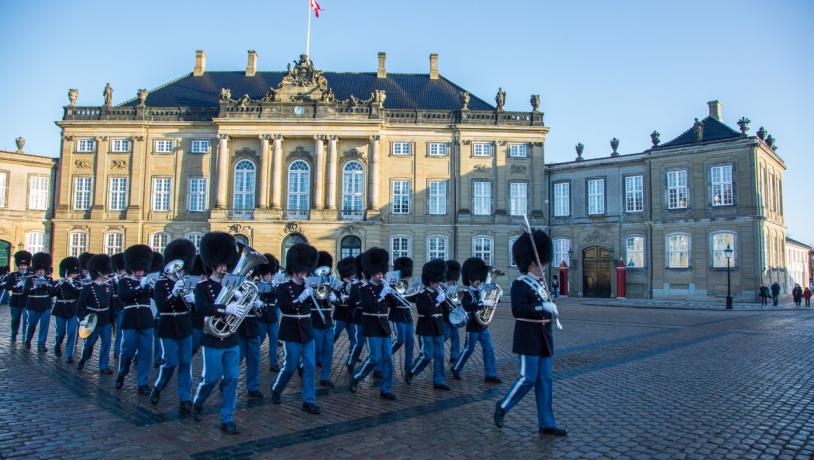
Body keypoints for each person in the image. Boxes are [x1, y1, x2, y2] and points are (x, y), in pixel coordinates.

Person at [494, 228, 567, 437]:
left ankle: (546, 422)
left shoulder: (541, 284)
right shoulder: (520, 284)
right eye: (538, 262)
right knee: (527, 377)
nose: (542, 265)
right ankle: (503, 406)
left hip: (544, 335)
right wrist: (542, 308)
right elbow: (518, 310)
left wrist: (550, 309)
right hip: (528, 336)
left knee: (545, 380)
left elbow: (545, 306)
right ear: (529, 262)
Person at [192, 232, 242, 433]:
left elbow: (243, 309)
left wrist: (240, 299)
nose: (224, 268)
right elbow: (201, 307)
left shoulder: (233, 285)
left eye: (226, 265)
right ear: (212, 264)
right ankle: (198, 402)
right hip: (212, 339)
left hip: (231, 338)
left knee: (232, 378)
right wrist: (224, 309)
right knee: (211, 378)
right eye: (220, 265)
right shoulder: (202, 286)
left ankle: (227, 418)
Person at [270, 243, 321, 415]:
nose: (304, 274)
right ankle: (277, 389)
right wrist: (302, 297)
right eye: (301, 271)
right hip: (291, 329)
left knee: (310, 366)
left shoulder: (309, 287)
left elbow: (317, 303)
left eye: (306, 271)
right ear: (294, 269)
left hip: (306, 329)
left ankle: (309, 400)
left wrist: (311, 294)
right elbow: (285, 308)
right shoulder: (284, 287)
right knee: (290, 366)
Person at [150, 239, 197, 413]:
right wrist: (174, 293)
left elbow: (195, 309)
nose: (180, 271)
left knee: (185, 363)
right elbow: (161, 306)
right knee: (170, 362)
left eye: (182, 268)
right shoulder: (160, 284)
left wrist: (193, 301)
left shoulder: (187, 282)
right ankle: (158, 387)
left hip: (184, 325)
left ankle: (185, 398)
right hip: (168, 325)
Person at [348, 248, 397, 400]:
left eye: (381, 273)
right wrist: (382, 295)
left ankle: (386, 389)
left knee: (388, 358)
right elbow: (369, 306)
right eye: (377, 273)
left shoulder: (384, 287)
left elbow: (394, 305)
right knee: (374, 358)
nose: (380, 275)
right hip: (371, 324)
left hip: (384, 324)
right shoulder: (364, 288)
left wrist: (391, 293)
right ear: (371, 272)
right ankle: (356, 377)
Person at [452, 257, 501, 384]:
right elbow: (467, 306)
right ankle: (456, 368)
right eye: (476, 280)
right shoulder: (466, 293)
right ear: (470, 280)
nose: (479, 282)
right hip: (473, 326)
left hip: (483, 326)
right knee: (469, 349)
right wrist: (481, 303)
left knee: (489, 348)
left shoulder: (482, 291)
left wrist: (494, 299)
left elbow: (490, 301)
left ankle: (490, 374)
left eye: (480, 279)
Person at [115, 245, 155, 394]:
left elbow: (156, 297)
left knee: (145, 353)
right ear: (132, 269)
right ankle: (122, 373)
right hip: (131, 319)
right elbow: (124, 296)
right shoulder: (124, 282)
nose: (140, 272)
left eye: (142, 270)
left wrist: (152, 287)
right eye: (137, 270)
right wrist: (139, 287)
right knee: (128, 351)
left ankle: (142, 383)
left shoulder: (147, 282)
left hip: (146, 319)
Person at [406, 259, 450, 390]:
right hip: (426, 326)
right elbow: (424, 310)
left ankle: (439, 381)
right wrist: (437, 301)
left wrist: (446, 300)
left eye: (439, 282)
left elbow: (445, 312)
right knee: (427, 355)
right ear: (430, 280)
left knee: (441, 355)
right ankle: (412, 371)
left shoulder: (439, 292)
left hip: (438, 326)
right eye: (436, 282)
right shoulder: (421, 294)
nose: (438, 284)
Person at [76, 254, 115, 373]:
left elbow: (111, 304)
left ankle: (103, 366)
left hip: (105, 318)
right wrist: (81, 319)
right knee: (90, 342)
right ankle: (84, 358)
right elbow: (81, 305)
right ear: (99, 271)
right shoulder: (88, 287)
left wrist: (113, 320)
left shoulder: (109, 287)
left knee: (107, 342)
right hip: (92, 318)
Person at [312, 251, 337, 388]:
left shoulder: (330, 279)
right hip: (315, 318)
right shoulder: (311, 280)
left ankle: (325, 377)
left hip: (327, 319)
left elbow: (337, 300)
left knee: (329, 349)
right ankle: (303, 365)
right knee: (317, 350)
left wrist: (335, 297)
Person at [390, 256, 417, 375]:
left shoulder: (408, 284)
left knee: (410, 340)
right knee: (399, 340)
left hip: (407, 315)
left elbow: (412, 299)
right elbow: (392, 302)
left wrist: (416, 292)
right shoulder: (393, 284)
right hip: (397, 314)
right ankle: (383, 357)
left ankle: (409, 366)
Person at [22, 252, 55, 352]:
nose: (41, 272)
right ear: (36, 270)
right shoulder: (30, 279)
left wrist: (47, 286)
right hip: (33, 305)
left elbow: (53, 292)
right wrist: (34, 287)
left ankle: (41, 344)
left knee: (44, 326)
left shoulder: (49, 279)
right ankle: (28, 340)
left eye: (43, 270)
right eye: (39, 270)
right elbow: (25, 292)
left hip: (45, 305)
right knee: (31, 324)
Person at [53, 257, 81, 363]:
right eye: (71, 273)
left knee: (72, 332)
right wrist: (58, 284)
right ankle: (57, 344)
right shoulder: (59, 282)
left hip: (72, 309)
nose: (73, 275)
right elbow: (52, 293)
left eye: (74, 273)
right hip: (60, 308)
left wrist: (71, 283)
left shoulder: (77, 283)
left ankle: (70, 354)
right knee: (60, 331)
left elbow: (79, 293)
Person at [256, 254, 281, 373]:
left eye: (270, 274)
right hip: (261, 317)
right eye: (267, 274)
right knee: (259, 340)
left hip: (272, 318)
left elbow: (279, 300)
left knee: (274, 341)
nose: (269, 277)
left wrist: (277, 288)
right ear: (261, 274)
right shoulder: (256, 285)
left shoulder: (275, 285)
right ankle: (254, 359)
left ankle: (274, 363)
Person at [4, 250, 32, 344]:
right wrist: (16, 286)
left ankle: (25, 337)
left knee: (26, 320)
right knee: (15, 319)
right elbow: (7, 287)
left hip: (26, 301)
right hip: (16, 300)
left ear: (27, 266)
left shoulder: (30, 275)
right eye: (21, 265)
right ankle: (14, 334)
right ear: (18, 266)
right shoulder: (13, 275)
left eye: (24, 265)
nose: (23, 267)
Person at [345, 255, 366, 373]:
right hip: (359, 316)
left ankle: (376, 368)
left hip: (371, 317)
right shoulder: (355, 284)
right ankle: (350, 362)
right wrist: (360, 302)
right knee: (359, 343)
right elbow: (351, 302)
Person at [332, 257, 356, 355]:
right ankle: (325, 352)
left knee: (354, 337)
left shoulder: (355, 284)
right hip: (340, 314)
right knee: (335, 335)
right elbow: (334, 300)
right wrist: (341, 299)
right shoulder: (338, 283)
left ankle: (353, 355)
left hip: (352, 313)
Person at [442, 260, 462, 364]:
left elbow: (457, 299)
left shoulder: (455, 285)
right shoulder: (442, 285)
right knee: (444, 335)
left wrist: (458, 301)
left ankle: (455, 356)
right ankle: (435, 351)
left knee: (456, 337)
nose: (453, 281)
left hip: (454, 316)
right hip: (445, 316)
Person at [110, 253, 125, 359]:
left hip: (121, 306)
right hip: (110, 306)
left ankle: (117, 350)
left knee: (120, 329)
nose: (121, 272)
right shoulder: (111, 278)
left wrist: (119, 281)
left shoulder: (126, 279)